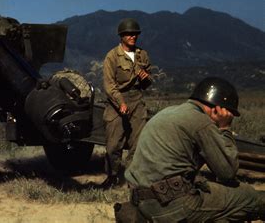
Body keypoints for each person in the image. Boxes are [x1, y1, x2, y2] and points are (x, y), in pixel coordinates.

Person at [125, 77, 265, 222]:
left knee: (219, 202)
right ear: (218, 109)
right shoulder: (201, 121)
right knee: (250, 197)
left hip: (141, 203)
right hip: (171, 206)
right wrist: (225, 127)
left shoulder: (167, 113)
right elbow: (227, 172)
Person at [102, 18, 152, 188]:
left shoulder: (142, 54)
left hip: (137, 100)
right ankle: (112, 177)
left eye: (135, 34)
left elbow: (148, 82)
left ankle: (132, 179)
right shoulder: (112, 56)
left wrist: (146, 78)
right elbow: (109, 85)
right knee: (113, 145)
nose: (133, 36)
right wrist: (120, 103)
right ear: (121, 36)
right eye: (129, 34)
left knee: (137, 144)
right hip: (117, 102)